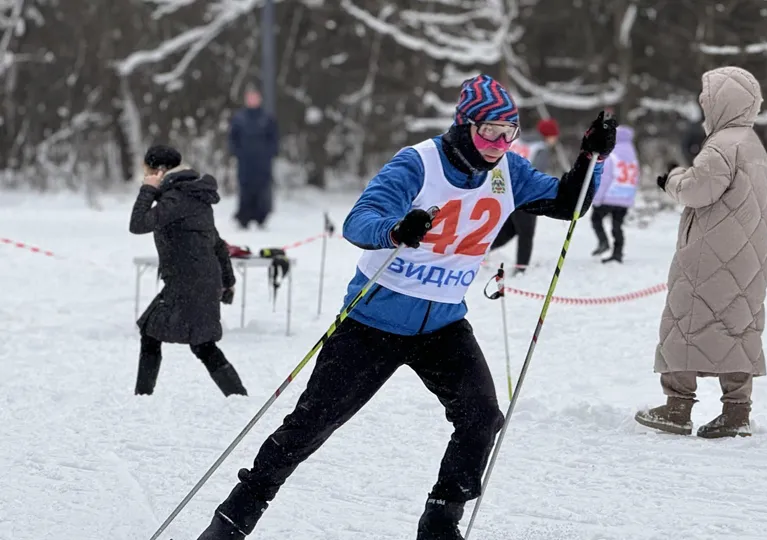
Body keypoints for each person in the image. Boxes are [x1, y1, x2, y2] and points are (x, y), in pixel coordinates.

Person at [195, 74, 617, 540]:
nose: (499, 143)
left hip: (442, 324)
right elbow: (360, 220)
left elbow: (568, 204)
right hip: (373, 322)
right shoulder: (418, 164)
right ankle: (234, 519)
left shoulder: (509, 171)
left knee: (481, 418)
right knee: (309, 426)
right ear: (463, 125)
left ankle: (440, 520)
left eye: (509, 131)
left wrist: (591, 158)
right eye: (488, 131)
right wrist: (396, 230)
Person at [635, 66, 767, 439]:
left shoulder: (723, 145)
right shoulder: (752, 143)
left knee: (684, 321)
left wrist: (672, 179)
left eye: (707, 100)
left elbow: (697, 190)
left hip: (712, 252)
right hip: (746, 253)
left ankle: (677, 407)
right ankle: (737, 411)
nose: (704, 106)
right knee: (737, 326)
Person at [129, 145, 247, 397]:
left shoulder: (176, 198)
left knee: (193, 342)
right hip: (196, 281)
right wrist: (227, 280)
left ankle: (142, 397)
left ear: (159, 171)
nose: (144, 175)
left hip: (188, 283)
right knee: (192, 342)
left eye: (147, 171)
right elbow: (216, 242)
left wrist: (148, 189)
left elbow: (138, 224)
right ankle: (238, 397)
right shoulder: (191, 194)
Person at [489, 118, 563, 275]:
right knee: (526, 232)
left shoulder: (519, 139)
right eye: (554, 136)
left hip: (504, 188)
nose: (554, 140)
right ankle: (521, 268)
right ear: (547, 135)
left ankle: (483, 249)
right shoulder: (541, 148)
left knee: (512, 228)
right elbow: (537, 173)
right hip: (524, 194)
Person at [229, 85, 279, 230]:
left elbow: (274, 138)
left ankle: (261, 217)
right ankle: (243, 217)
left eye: (254, 97)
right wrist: (237, 152)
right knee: (245, 188)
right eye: (249, 97)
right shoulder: (239, 118)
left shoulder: (267, 117)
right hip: (245, 161)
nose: (252, 100)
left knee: (262, 189)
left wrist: (269, 153)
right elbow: (233, 138)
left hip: (262, 162)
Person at [591, 125, 639, 263]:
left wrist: (597, 198)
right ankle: (617, 253)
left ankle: (603, 242)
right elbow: (636, 177)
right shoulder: (632, 156)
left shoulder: (611, 154)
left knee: (596, 219)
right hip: (625, 197)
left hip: (609, 196)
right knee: (617, 226)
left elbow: (605, 178)